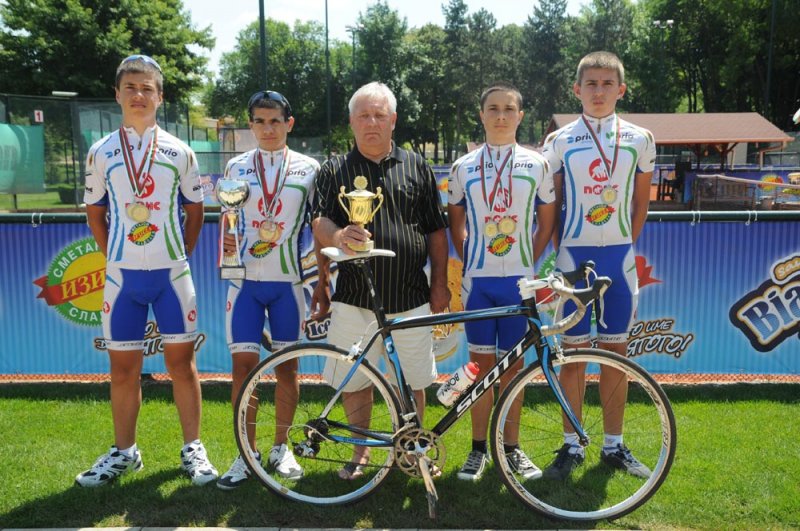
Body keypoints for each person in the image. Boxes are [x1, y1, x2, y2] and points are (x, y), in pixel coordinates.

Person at [78, 54, 217, 487]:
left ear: (160, 97)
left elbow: (196, 211)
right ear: (117, 95)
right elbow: (94, 213)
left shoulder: (181, 151)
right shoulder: (100, 152)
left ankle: (193, 449)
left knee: (183, 366)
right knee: (123, 371)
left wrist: (180, 254)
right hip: (122, 279)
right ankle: (125, 452)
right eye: (131, 87)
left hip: (172, 276)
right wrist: (115, 257)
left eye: (147, 88)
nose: (139, 95)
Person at [311, 81, 449, 480]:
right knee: (355, 380)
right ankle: (361, 454)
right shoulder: (333, 169)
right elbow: (319, 221)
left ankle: (412, 451)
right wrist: (339, 236)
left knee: (413, 381)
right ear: (351, 122)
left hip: (410, 295)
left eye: (379, 115)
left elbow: (436, 230)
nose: (371, 123)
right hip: (354, 296)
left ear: (393, 120)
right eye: (364, 116)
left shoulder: (417, 165)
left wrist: (439, 283)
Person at [541, 51, 656, 480]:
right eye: (591, 83)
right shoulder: (558, 141)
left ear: (621, 90)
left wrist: (624, 243)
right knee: (572, 357)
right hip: (573, 258)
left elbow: (641, 204)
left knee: (615, 356)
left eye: (608, 83)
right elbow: (552, 206)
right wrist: (564, 254)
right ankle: (571, 444)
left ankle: (613, 445)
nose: (599, 91)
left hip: (619, 259)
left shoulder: (641, 138)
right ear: (577, 89)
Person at [447, 82, 557, 481]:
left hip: (518, 285)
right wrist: (472, 260)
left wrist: (527, 261)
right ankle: (478, 449)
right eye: (492, 108)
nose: (500, 116)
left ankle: (511, 448)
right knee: (480, 368)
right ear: (481, 115)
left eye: (509, 109)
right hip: (479, 284)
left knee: (514, 370)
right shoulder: (462, 167)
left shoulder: (538, 164)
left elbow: (546, 223)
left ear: (520, 116)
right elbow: (455, 223)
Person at [215, 90, 320, 489]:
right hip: (244, 283)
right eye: (259, 121)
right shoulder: (237, 166)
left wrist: (321, 280)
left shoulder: (309, 168)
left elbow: (318, 224)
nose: (268, 129)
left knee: (287, 368)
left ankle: (281, 447)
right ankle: (247, 452)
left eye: (275, 121)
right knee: (242, 369)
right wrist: (226, 243)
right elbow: (228, 217)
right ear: (251, 125)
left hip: (287, 284)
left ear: (289, 123)